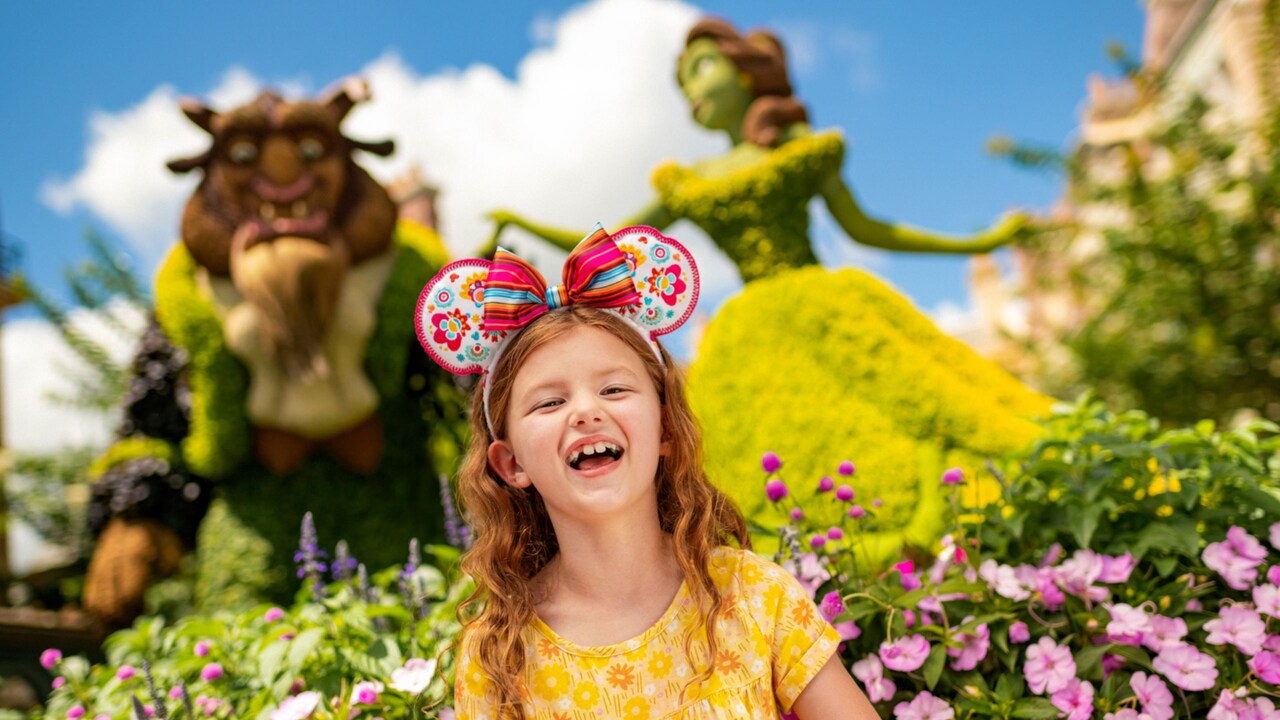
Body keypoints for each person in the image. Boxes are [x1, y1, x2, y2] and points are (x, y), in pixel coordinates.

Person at [415, 225, 879, 718]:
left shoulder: (754, 595)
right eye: (550, 401)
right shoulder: (498, 655)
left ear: (665, 431)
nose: (586, 412)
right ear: (511, 464)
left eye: (614, 390)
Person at [487, 17, 1026, 284]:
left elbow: (867, 231)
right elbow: (606, 244)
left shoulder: (796, 150)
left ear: (745, 70)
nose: (691, 91)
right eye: (682, 83)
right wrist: (521, 222)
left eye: (700, 69)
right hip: (752, 329)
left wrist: (981, 242)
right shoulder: (689, 180)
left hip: (824, 303)